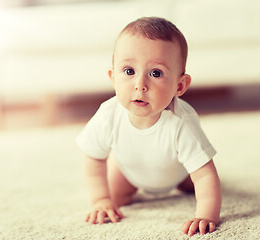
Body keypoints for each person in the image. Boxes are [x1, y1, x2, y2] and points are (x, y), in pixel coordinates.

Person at [76, 17, 221, 237]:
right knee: (113, 199)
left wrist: (206, 215)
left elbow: (204, 175)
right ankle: (116, 183)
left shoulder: (181, 122)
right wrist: (100, 199)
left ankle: (183, 183)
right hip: (128, 171)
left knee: (199, 186)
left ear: (179, 86)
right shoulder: (108, 114)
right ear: (112, 77)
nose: (140, 84)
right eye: (129, 71)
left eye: (156, 73)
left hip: (178, 172)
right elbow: (93, 156)